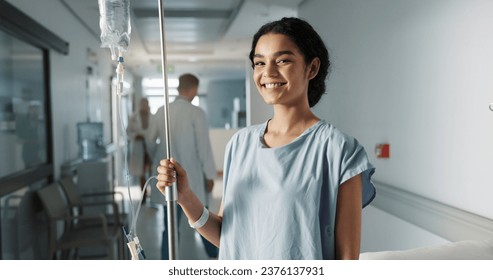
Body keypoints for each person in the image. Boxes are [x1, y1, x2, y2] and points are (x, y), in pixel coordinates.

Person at [156, 17, 376, 260]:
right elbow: (225, 236)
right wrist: (185, 196)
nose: (268, 72)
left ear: (311, 68)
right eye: (259, 63)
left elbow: (347, 260)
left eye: (282, 60)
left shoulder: (339, 150)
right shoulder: (240, 144)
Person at [148, 73, 218, 259]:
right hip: (192, 179)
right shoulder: (196, 113)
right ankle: (215, 255)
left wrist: (158, 156)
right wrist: (210, 175)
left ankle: (167, 263)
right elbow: (203, 148)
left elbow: (149, 141)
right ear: (194, 89)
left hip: (168, 179)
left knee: (169, 227)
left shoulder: (162, 111)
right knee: (201, 218)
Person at [126, 97, 153, 203]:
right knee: (141, 173)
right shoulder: (133, 117)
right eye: (142, 104)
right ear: (139, 105)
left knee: (152, 171)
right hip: (139, 146)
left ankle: (153, 194)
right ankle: (144, 195)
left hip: (150, 146)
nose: (144, 106)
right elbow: (128, 132)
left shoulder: (153, 117)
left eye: (146, 104)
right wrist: (136, 136)